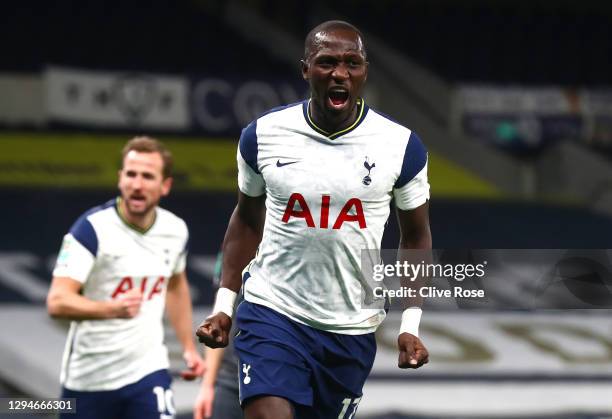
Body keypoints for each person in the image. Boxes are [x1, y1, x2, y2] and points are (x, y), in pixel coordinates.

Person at [197, 20, 431, 419]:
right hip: (272, 311)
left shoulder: (401, 146)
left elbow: (415, 237)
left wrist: (411, 323)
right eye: (327, 63)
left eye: (351, 63)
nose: (340, 73)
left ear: (364, 71)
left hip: (351, 329)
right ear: (306, 69)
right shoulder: (263, 135)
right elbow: (247, 221)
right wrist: (224, 304)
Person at [47, 136, 205, 419]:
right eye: (131, 174)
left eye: (147, 176)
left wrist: (188, 348)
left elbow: (176, 285)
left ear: (165, 185)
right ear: (120, 179)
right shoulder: (91, 229)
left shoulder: (175, 230)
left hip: (147, 370)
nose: (137, 184)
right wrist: (111, 309)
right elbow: (57, 301)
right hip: (90, 378)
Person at [193, 252, 242, 419]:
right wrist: (207, 386)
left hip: (280, 377)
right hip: (231, 377)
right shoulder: (234, 246)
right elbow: (220, 315)